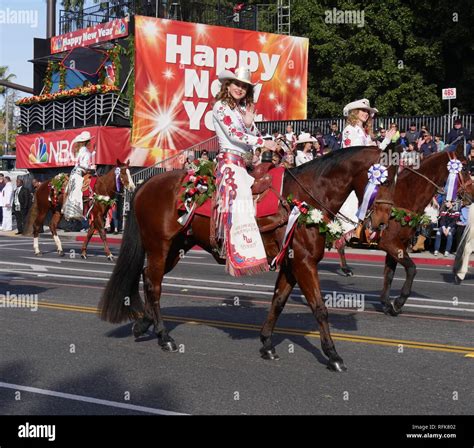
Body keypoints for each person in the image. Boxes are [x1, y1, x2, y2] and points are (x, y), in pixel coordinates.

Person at [212, 67, 276, 276]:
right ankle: (235, 248)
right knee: (240, 195)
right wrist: (261, 141)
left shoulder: (241, 111)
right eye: (236, 84)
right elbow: (233, 135)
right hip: (229, 163)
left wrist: (249, 124)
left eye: (244, 86)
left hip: (245, 164)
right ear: (227, 85)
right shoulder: (220, 107)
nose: (240, 89)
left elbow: (248, 135)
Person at [62, 131, 96, 220]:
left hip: (74, 172)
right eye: (89, 141)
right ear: (87, 142)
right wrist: (91, 169)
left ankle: (66, 208)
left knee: (70, 190)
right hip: (80, 173)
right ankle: (74, 211)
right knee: (77, 191)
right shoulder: (87, 153)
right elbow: (84, 166)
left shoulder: (80, 151)